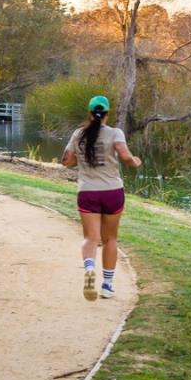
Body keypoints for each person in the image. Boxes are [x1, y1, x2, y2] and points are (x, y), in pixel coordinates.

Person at [61, 94, 141, 301]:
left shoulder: (78, 134)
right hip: (112, 192)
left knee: (90, 238)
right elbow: (125, 157)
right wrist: (135, 162)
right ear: (107, 113)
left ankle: (89, 270)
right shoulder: (115, 133)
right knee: (110, 239)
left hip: (87, 192)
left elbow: (67, 161)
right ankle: (107, 286)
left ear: (90, 113)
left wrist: (81, 159)